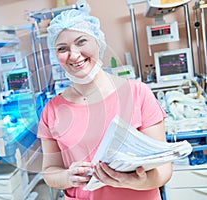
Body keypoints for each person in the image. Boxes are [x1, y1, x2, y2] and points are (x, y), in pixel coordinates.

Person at [37, 9, 172, 200]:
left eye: (81, 41)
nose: (74, 55)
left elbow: (164, 168)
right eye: (62, 48)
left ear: (98, 42)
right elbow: (50, 172)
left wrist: (135, 182)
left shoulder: (138, 93)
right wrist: (68, 177)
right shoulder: (52, 110)